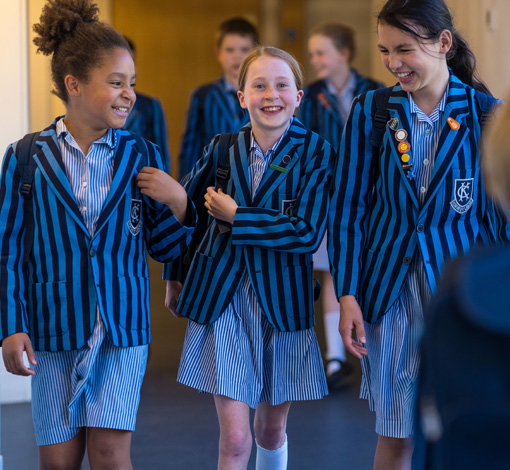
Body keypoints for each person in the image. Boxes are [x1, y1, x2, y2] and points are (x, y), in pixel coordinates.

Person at [0, 1, 194, 469]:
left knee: (110, 455)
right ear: (74, 85)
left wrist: (179, 202)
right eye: (116, 83)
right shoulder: (25, 156)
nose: (129, 94)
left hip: (122, 331)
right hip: (52, 329)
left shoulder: (140, 152)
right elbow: (8, 253)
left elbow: (165, 243)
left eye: (132, 83)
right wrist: (11, 326)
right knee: (58, 462)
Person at [327, 0, 509, 468]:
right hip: (388, 294)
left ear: (444, 44)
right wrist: (347, 293)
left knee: (461, 431)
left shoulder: (486, 114)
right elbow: (348, 207)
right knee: (397, 434)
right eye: (386, 51)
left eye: (404, 49)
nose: (392, 63)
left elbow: (498, 219)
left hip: (458, 294)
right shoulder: (372, 111)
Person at [164, 47, 333, 469]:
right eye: (258, 85)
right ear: (242, 97)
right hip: (223, 300)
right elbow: (187, 215)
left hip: (283, 304)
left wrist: (239, 216)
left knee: (270, 431)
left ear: (299, 97)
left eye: (281, 85)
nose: (270, 94)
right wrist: (174, 275)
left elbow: (307, 232)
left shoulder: (316, 153)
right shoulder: (222, 148)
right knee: (236, 437)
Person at [299, 23, 384, 389]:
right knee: (334, 272)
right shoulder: (310, 96)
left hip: (371, 197)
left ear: (344, 53)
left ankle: (372, 350)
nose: (314, 60)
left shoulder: (376, 94)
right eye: (312, 53)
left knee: (371, 270)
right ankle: (334, 358)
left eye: (321, 52)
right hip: (328, 196)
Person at [178, 17, 259, 180]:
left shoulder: (264, 95)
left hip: (254, 179)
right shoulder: (202, 96)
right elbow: (190, 149)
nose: (237, 56)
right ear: (218, 53)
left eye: (244, 49)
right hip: (214, 182)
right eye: (230, 50)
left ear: (255, 53)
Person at [123, 36, 172, 172]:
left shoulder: (151, 106)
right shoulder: (100, 107)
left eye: (130, 62)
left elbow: (162, 156)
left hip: (143, 181)